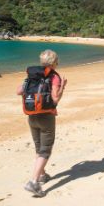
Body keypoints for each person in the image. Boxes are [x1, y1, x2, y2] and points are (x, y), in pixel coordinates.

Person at [17, 50, 67, 197]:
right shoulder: (54, 76)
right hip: (46, 117)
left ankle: (42, 175)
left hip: (31, 115)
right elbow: (55, 100)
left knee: (39, 147)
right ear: (55, 62)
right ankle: (34, 182)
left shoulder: (32, 75)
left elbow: (19, 91)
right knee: (45, 150)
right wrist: (62, 86)